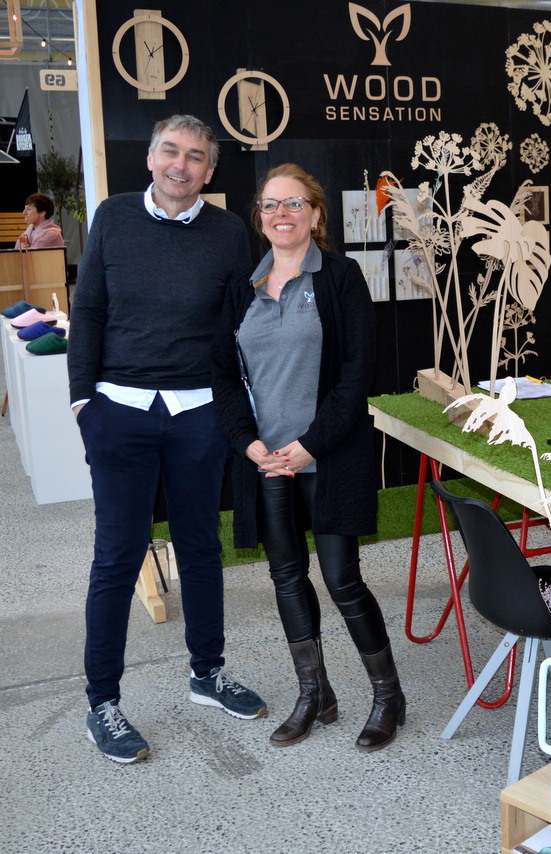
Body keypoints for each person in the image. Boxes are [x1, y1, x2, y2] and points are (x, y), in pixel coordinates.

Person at [69, 115, 264, 764]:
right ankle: (102, 703)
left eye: (196, 156)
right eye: (171, 151)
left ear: (210, 170)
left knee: (201, 548)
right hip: (119, 414)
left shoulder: (228, 233)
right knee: (117, 557)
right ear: (151, 158)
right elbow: (88, 309)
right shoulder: (113, 217)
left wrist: (237, 408)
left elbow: (241, 324)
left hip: (197, 417)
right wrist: (82, 401)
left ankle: (208, 673)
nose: (181, 164)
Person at [211, 163, 405, 751]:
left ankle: (388, 696)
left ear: (316, 214)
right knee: (287, 577)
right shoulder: (241, 288)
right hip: (267, 461)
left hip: (327, 457)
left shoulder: (341, 278)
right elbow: (223, 375)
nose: (281, 214)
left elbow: (357, 374)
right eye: (270, 205)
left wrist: (309, 446)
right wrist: (248, 443)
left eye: (294, 203)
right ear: (259, 217)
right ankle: (314, 694)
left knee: (343, 580)